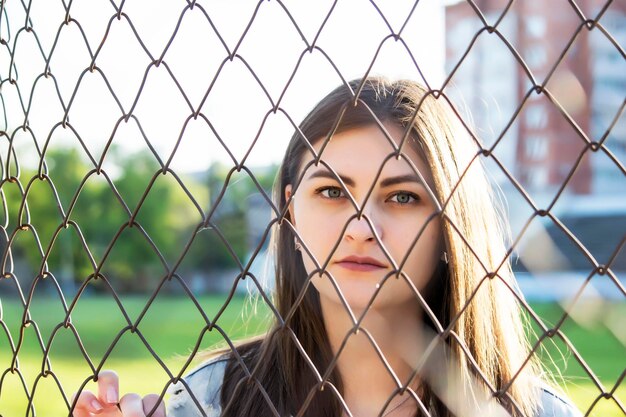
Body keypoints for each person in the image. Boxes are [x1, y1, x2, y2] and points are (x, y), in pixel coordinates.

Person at [72, 78, 582, 417]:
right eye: (332, 191)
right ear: (292, 210)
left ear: (451, 224)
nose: (362, 227)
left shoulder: (536, 414)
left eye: (402, 196)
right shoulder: (208, 402)